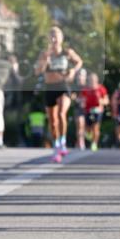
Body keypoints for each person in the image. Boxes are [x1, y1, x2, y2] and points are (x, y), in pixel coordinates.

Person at [34, 25, 83, 163]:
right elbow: (38, 71)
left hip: (63, 86)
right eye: (52, 36)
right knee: (53, 120)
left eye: (57, 35)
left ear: (62, 38)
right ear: (49, 39)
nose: (54, 38)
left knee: (62, 113)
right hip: (50, 87)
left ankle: (63, 142)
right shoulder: (45, 53)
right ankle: (57, 144)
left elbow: (79, 62)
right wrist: (45, 61)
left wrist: (73, 70)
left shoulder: (67, 52)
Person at [80, 72, 109, 151]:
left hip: (98, 110)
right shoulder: (85, 89)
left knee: (96, 127)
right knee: (87, 128)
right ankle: (89, 136)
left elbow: (107, 101)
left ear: (97, 80)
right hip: (88, 110)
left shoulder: (101, 89)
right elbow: (82, 100)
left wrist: (101, 101)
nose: (92, 81)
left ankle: (94, 143)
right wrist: (82, 103)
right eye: (91, 79)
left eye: (94, 79)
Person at [72, 68, 89, 150]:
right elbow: (72, 97)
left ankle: (79, 141)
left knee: (86, 128)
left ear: (85, 77)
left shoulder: (89, 86)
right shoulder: (74, 87)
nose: (80, 77)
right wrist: (76, 99)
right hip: (78, 109)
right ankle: (81, 142)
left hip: (89, 110)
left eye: (82, 75)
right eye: (79, 75)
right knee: (80, 125)